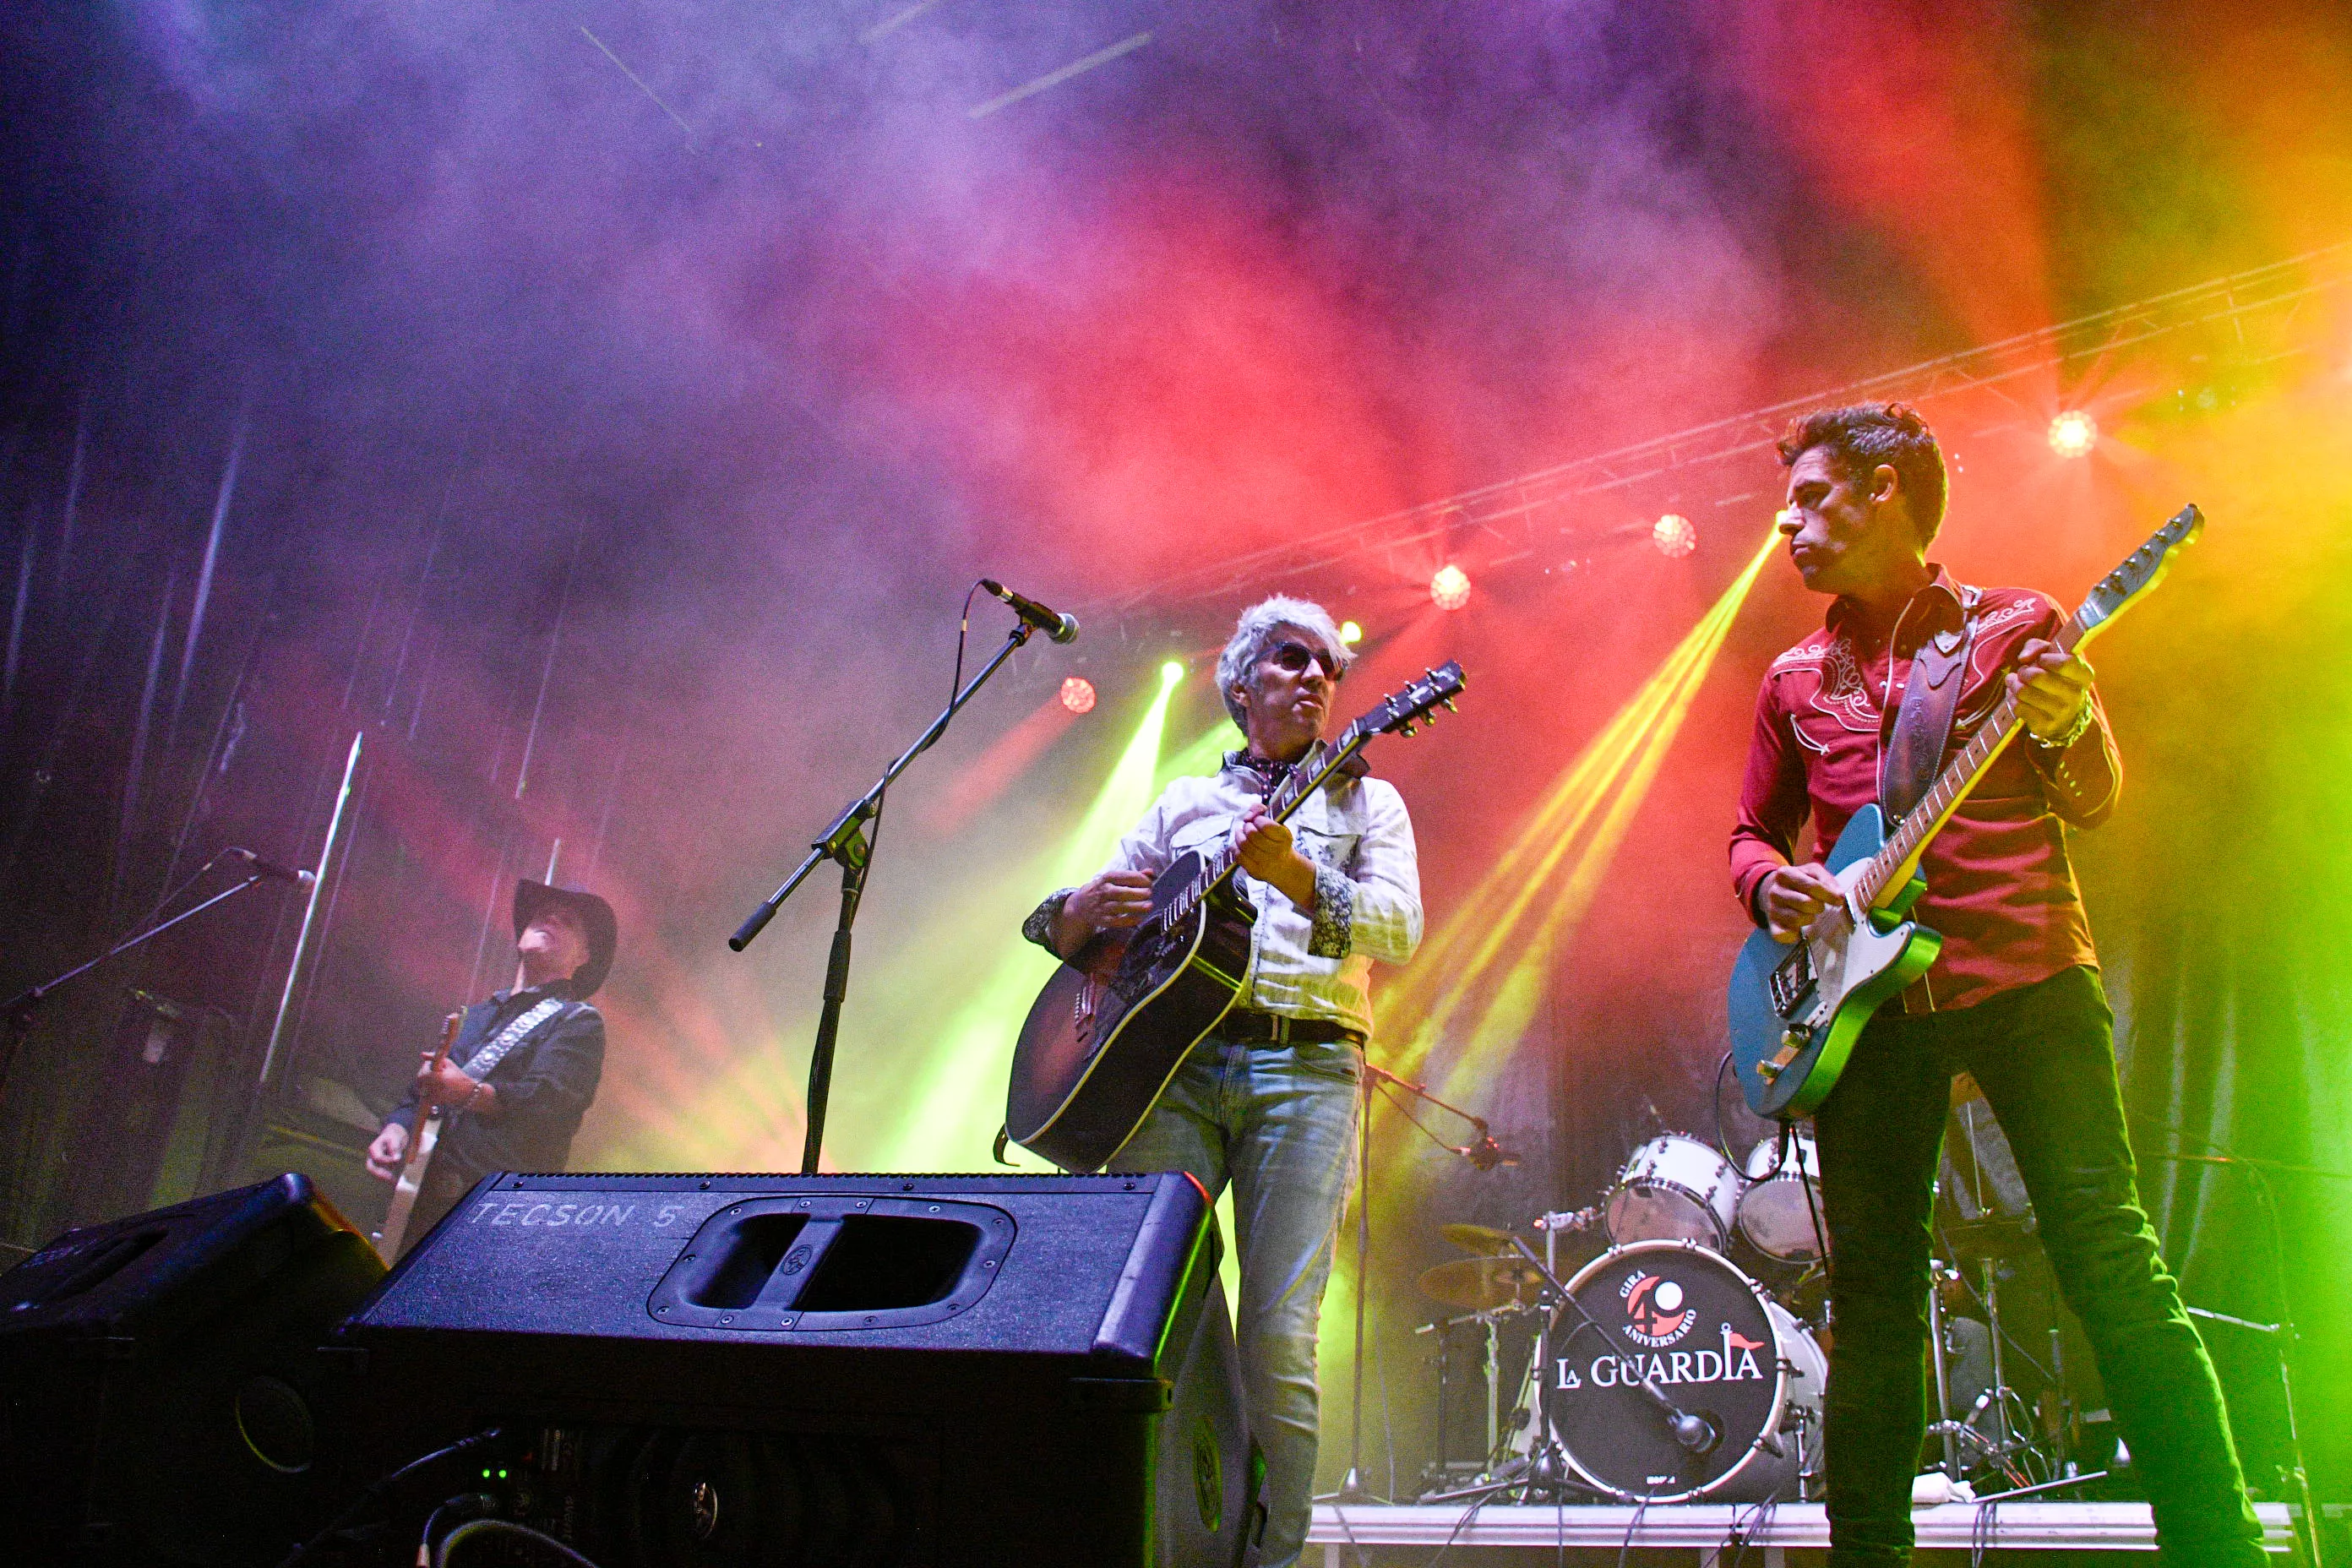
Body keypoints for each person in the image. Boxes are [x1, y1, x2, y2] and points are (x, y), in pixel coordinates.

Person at [1729, 404, 2262, 1564]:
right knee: (1872, 1300)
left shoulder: (2019, 627)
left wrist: (2070, 729)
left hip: (2026, 970)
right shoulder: (1791, 679)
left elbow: (2092, 799)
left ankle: (2217, 1546)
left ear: (1885, 493)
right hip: (1865, 1007)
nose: (1789, 521)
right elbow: (1749, 834)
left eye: (1813, 498)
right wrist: (1772, 887)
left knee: (2110, 1260)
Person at [1022, 596, 1422, 1568]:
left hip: (1311, 1064)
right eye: (1293, 659)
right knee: (1157, 1321)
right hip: (1178, 1070)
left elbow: (1401, 931)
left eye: (1328, 663)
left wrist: (1299, 877)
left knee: (1279, 1339)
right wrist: (1073, 912)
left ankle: (1270, 1559)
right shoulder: (1182, 802)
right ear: (1242, 689)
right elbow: (1086, 933)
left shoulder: (1370, 802)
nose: (1318, 674)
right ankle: (1153, 1542)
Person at [365, 879, 618, 1248]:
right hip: (416, 1202)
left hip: (489, 1216)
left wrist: (467, 1093)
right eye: (544, 914)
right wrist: (398, 1128)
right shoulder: (473, 1016)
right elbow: (421, 1095)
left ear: (585, 957)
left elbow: (548, 1104)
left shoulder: (577, 1021)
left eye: (568, 921)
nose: (551, 918)